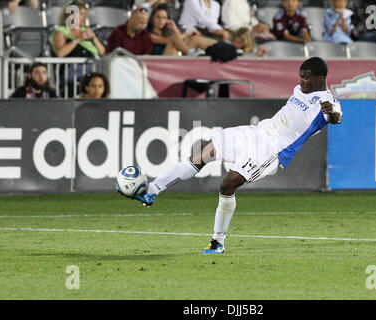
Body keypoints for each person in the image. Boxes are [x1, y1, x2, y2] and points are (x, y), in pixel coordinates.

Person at [116, 57, 343, 254]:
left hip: (273, 150)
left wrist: (330, 112)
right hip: (258, 133)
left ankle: (218, 242)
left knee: (228, 184)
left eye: (306, 78)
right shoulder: (299, 90)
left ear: (321, 78)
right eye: (300, 76)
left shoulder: (329, 102)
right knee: (204, 150)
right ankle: (153, 191)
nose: (301, 81)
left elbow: (336, 118)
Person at [147, 3, 213, 56]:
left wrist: (174, 28)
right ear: (152, 18)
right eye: (158, 17)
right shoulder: (148, 34)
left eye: (164, 18)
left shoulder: (166, 33)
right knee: (174, 39)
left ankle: (217, 49)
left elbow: (180, 41)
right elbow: (167, 40)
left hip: (173, 55)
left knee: (196, 38)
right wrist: (187, 34)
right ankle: (191, 53)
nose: (161, 20)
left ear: (167, 20)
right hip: (160, 61)